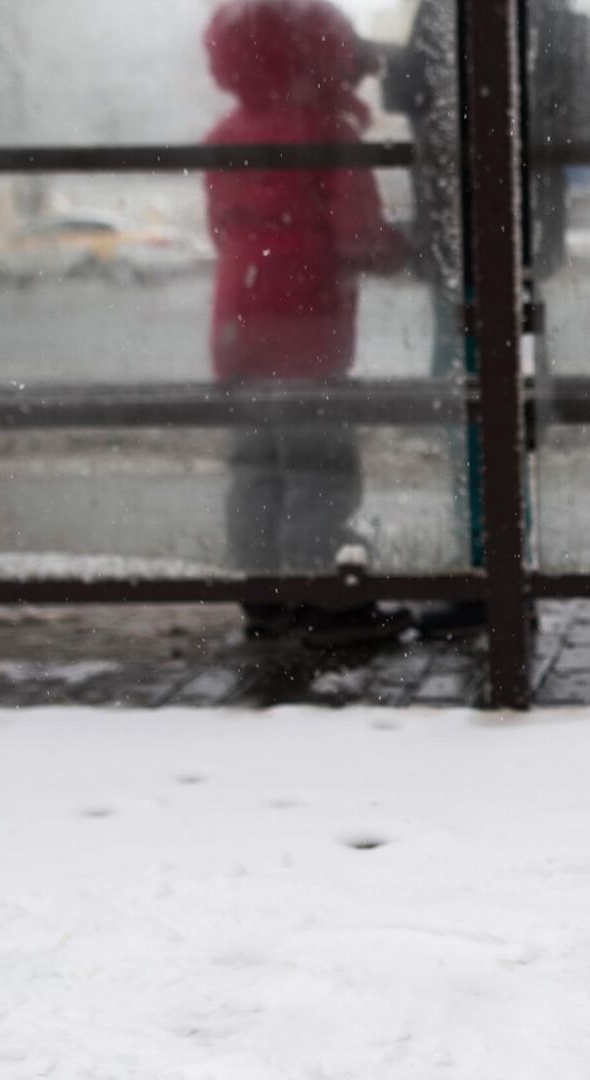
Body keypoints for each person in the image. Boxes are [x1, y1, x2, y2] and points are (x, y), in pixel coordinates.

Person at [382, 0, 590, 636]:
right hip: (523, 248)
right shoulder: (569, 28)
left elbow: (401, 91)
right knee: (506, 414)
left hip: (459, 248)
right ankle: (507, 568)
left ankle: (490, 573)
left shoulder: (446, 14)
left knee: (473, 415)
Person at [204, 0, 414, 646]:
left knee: (256, 469)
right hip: (308, 332)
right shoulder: (329, 136)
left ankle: (263, 599)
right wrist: (404, 247)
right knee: (319, 472)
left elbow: (221, 229)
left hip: (238, 326)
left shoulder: (226, 135)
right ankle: (320, 601)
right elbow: (358, 240)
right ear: (321, 57)